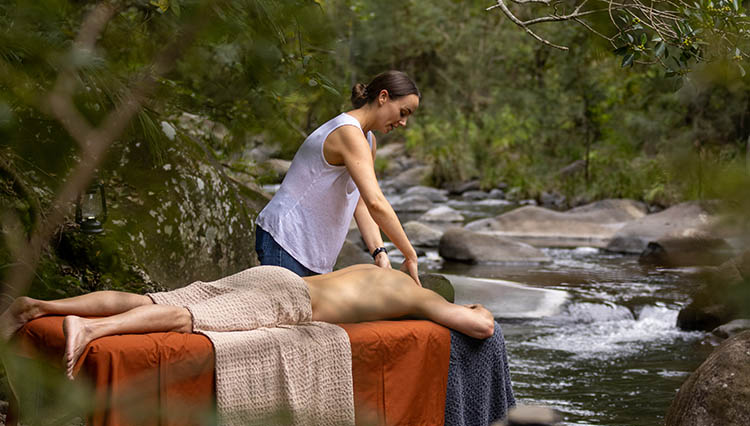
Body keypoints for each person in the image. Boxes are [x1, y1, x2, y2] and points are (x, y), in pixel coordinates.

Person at [0, 265, 495, 379]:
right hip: (290, 298)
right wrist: (476, 310)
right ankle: (89, 331)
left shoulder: (380, 273)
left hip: (274, 275)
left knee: (153, 296)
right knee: (186, 317)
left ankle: (40, 305)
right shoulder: (419, 296)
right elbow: (481, 330)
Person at [255, 70, 422, 285]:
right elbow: (376, 202)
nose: (403, 122)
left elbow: (361, 202)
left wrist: (379, 251)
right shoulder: (347, 132)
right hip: (286, 240)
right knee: (282, 316)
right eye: (403, 112)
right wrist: (410, 254)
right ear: (383, 97)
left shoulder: (368, 140)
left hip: (312, 250)